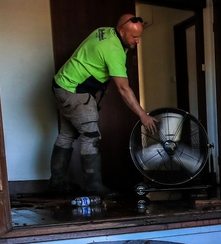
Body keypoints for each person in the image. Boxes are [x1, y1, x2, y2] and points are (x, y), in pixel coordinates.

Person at [48, 14, 158, 195]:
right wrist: (142, 115)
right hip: (74, 91)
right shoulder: (112, 49)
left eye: (139, 36)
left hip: (62, 84)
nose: (138, 41)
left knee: (67, 135)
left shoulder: (104, 31)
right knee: (90, 136)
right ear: (121, 31)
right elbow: (123, 89)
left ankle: (56, 184)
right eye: (134, 37)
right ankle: (94, 188)